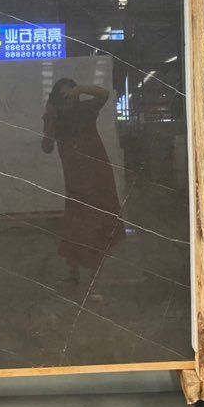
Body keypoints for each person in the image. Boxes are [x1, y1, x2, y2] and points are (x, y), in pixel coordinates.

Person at [42, 78, 123, 284]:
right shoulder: (55, 116)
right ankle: (73, 274)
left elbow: (104, 94)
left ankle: (94, 278)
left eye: (71, 95)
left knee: (96, 226)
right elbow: (47, 147)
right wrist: (50, 119)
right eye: (63, 96)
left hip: (97, 177)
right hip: (75, 182)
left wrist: (81, 89)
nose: (68, 99)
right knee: (74, 227)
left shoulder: (86, 110)